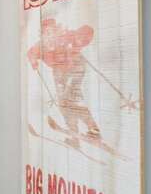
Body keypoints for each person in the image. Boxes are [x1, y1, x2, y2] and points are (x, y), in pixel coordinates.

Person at [27, 18, 101, 146]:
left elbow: (82, 34)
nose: (50, 32)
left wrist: (76, 43)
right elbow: (31, 52)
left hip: (75, 69)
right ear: (43, 32)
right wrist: (33, 61)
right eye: (46, 31)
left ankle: (92, 130)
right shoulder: (41, 45)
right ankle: (76, 136)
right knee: (65, 104)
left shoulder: (64, 35)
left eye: (52, 29)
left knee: (70, 100)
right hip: (59, 73)